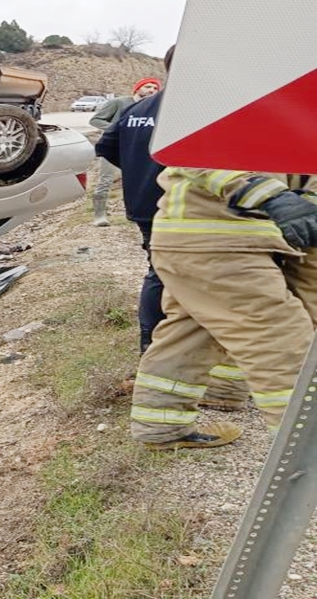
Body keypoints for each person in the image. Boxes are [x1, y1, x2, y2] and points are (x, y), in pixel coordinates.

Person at [128, 165, 317, 450]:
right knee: (280, 341)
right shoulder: (213, 119)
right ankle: (304, 460)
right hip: (223, 239)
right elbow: (192, 152)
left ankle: (163, 424)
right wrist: (269, 195)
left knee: (192, 332)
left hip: (197, 236)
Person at [95, 57, 173, 353]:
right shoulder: (192, 109)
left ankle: (149, 342)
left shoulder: (136, 109)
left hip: (143, 203)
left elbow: (105, 147)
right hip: (180, 207)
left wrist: (138, 167)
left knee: (157, 271)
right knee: (173, 273)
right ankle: (158, 342)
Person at [88, 77, 163, 226]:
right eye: (147, 87)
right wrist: (119, 129)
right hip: (115, 146)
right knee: (105, 180)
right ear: (137, 88)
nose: (151, 90)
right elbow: (95, 120)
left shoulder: (155, 107)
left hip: (139, 150)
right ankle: (99, 215)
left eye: (155, 88)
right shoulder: (120, 102)